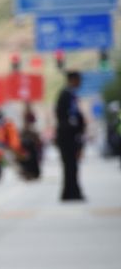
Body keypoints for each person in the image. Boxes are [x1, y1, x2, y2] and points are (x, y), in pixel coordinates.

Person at [55, 70, 85, 201]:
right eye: (78, 80)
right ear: (72, 80)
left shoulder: (70, 95)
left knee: (72, 166)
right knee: (70, 165)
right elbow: (66, 117)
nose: (80, 83)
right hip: (67, 137)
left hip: (70, 136)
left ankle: (71, 192)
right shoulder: (66, 95)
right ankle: (70, 193)